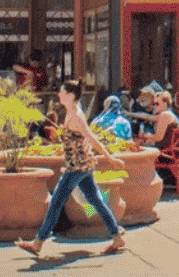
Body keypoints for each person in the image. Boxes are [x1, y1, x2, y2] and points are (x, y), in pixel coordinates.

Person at [16, 79, 126, 259]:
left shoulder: (76, 116)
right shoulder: (70, 113)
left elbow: (91, 138)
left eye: (62, 92)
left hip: (77, 167)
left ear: (71, 96)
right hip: (81, 165)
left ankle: (38, 243)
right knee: (95, 201)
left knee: (56, 202)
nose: (59, 95)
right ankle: (116, 236)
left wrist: (110, 158)